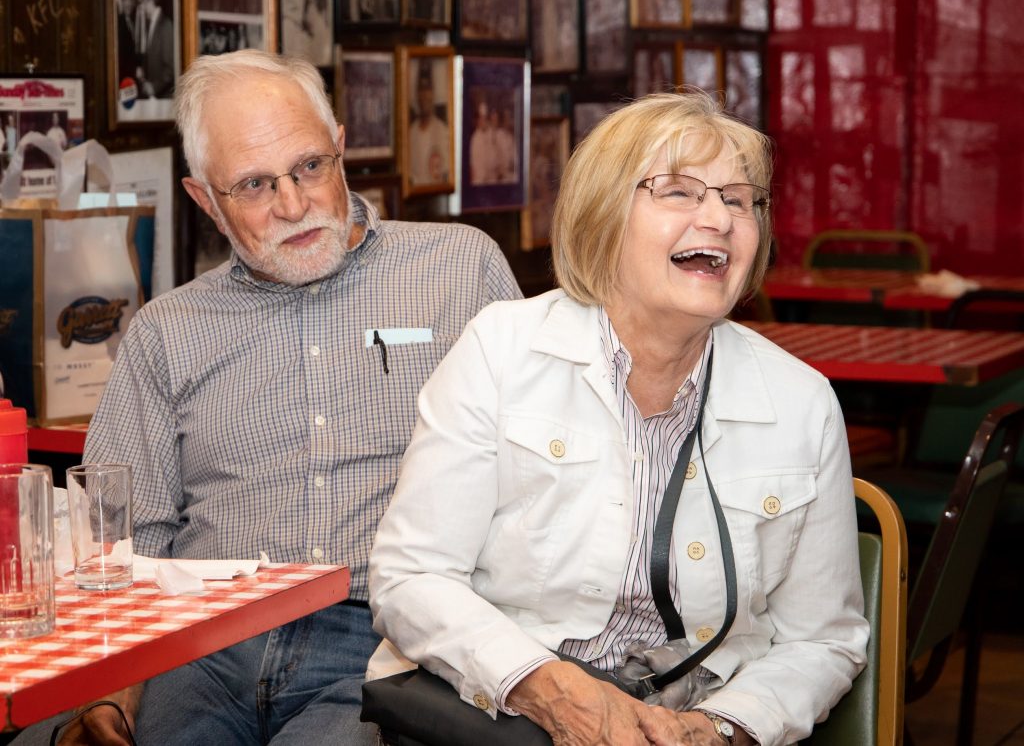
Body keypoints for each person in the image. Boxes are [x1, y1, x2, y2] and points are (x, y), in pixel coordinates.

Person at [15, 50, 519, 746]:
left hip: (383, 642)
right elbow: (125, 540)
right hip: (203, 646)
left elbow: (538, 486)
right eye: (253, 184)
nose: (293, 203)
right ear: (205, 202)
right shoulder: (166, 333)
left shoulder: (460, 269)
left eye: (311, 166)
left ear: (341, 146)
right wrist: (111, 696)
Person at [369, 91, 868, 745]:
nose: (719, 217)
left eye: (740, 199)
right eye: (681, 192)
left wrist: (720, 730)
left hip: (695, 717)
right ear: (605, 214)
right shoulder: (501, 351)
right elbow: (412, 578)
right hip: (505, 707)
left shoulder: (802, 402)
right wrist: (552, 690)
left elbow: (823, 641)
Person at [407, 64, 450, 186]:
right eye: (421, 91)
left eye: (428, 91)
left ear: (433, 95)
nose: (424, 96)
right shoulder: (411, 132)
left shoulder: (443, 131)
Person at [135, 0, 174, 99]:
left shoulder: (165, 25)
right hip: (153, 97)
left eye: (143, 3)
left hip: (163, 97)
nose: (141, 8)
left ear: (150, 0)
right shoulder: (151, 24)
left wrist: (154, 87)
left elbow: (170, 69)